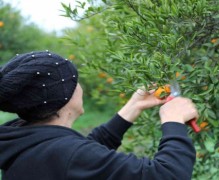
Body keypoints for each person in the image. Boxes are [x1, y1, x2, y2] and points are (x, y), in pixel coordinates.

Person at [0, 51, 199, 180]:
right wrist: (173, 122)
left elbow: (84, 154)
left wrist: (132, 107)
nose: (80, 86)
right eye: (74, 82)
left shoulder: (23, 137)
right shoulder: (66, 154)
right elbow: (168, 175)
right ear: (64, 98)